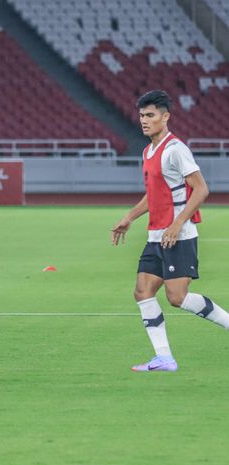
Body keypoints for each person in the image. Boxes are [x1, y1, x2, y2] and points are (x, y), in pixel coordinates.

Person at [111, 90, 229, 371]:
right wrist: (130, 216)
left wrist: (177, 224)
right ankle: (164, 358)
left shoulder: (176, 149)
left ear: (165, 117)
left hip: (178, 234)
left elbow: (201, 189)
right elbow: (155, 195)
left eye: (150, 115)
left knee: (177, 298)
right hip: (156, 235)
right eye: (141, 115)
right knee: (143, 291)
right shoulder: (148, 150)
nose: (144, 120)